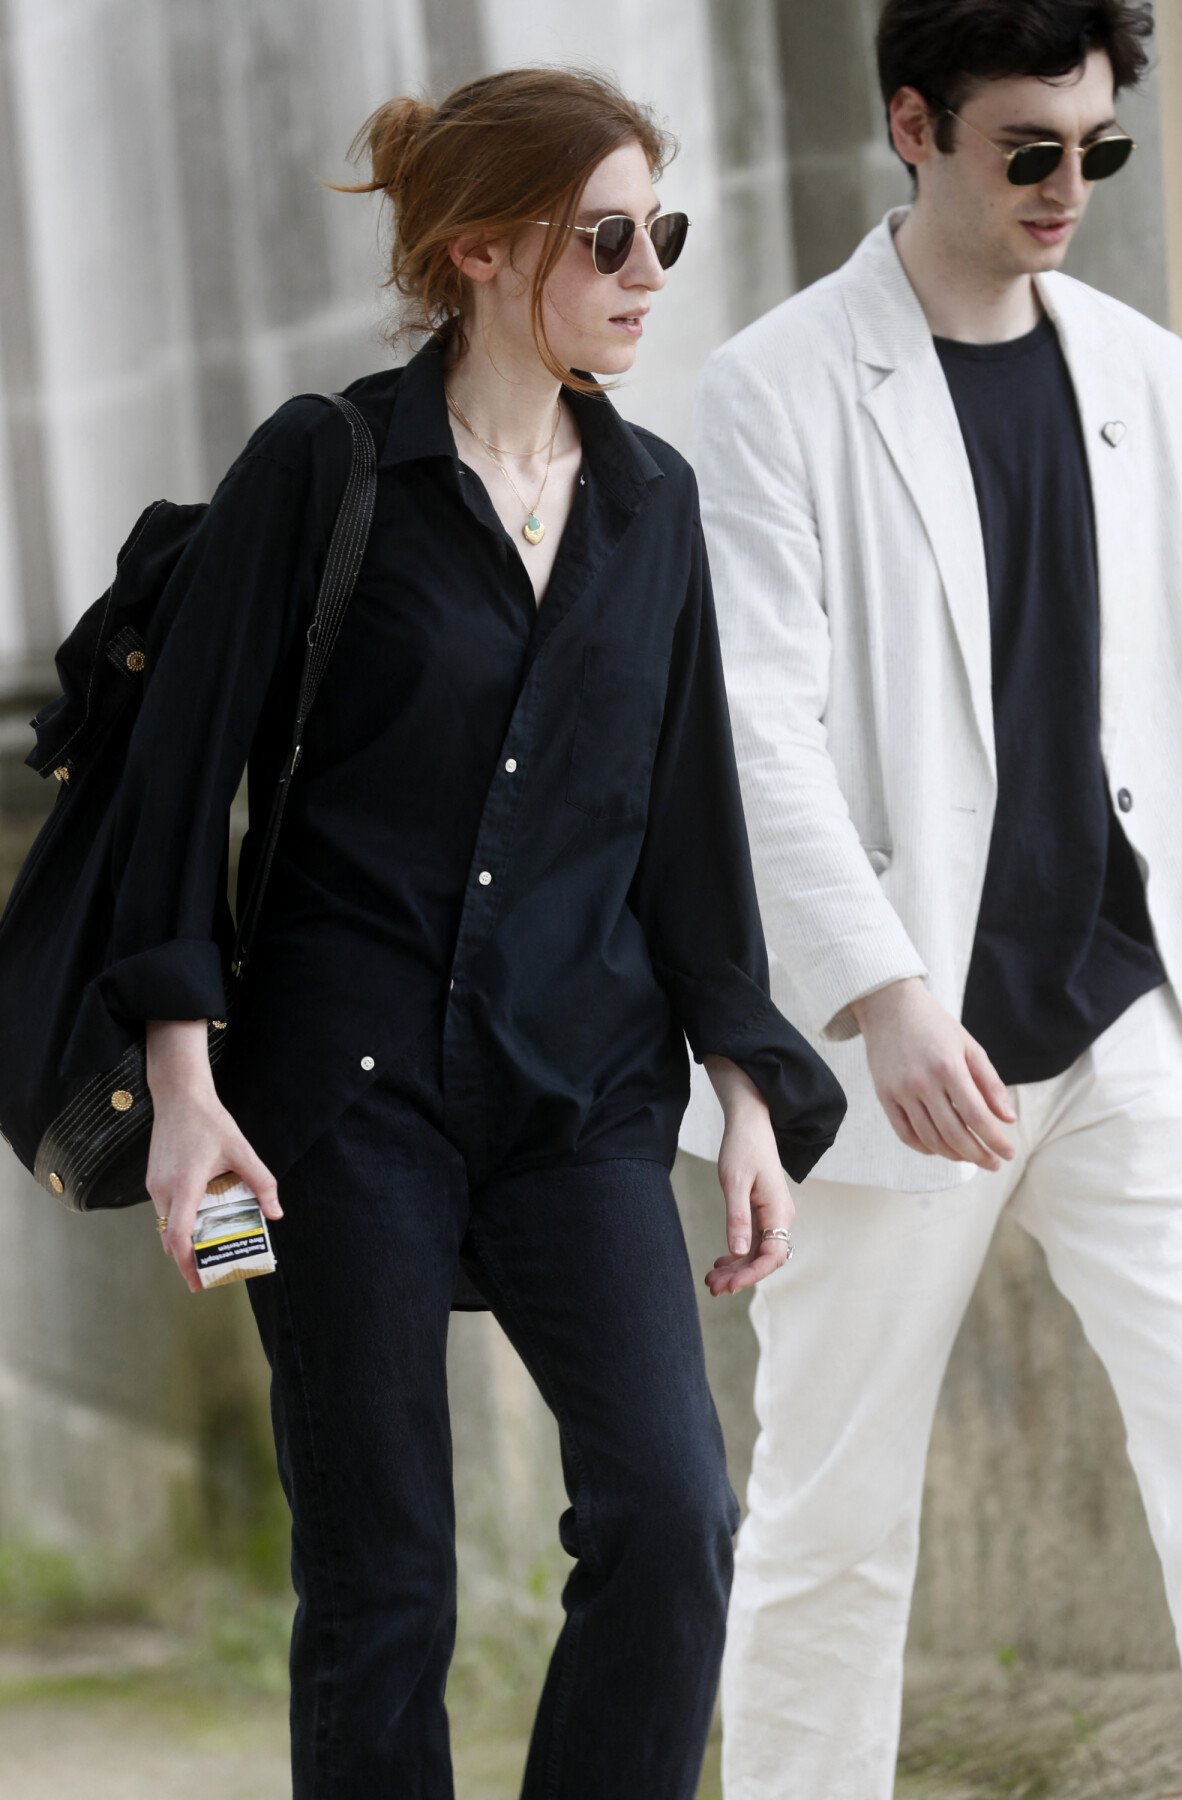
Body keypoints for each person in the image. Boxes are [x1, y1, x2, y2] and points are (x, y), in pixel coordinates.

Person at [75, 66, 845, 1800]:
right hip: (328, 1111)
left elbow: (690, 828)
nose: (654, 269)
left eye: (668, 231)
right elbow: (186, 788)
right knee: (384, 1582)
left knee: (673, 1514)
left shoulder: (655, 506)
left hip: (577, 1093)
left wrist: (745, 1093)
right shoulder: (326, 468)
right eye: (612, 237)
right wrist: (185, 1089)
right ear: (486, 249)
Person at [677, 2, 1182, 1794]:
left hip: (1131, 1008)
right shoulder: (771, 389)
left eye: (1098, 149)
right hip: (904, 1043)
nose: (1070, 189)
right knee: (833, 1510)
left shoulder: (1149, 374)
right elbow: (756, 725)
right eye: (1027, 150)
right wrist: (882, 994)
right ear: (914, 122)